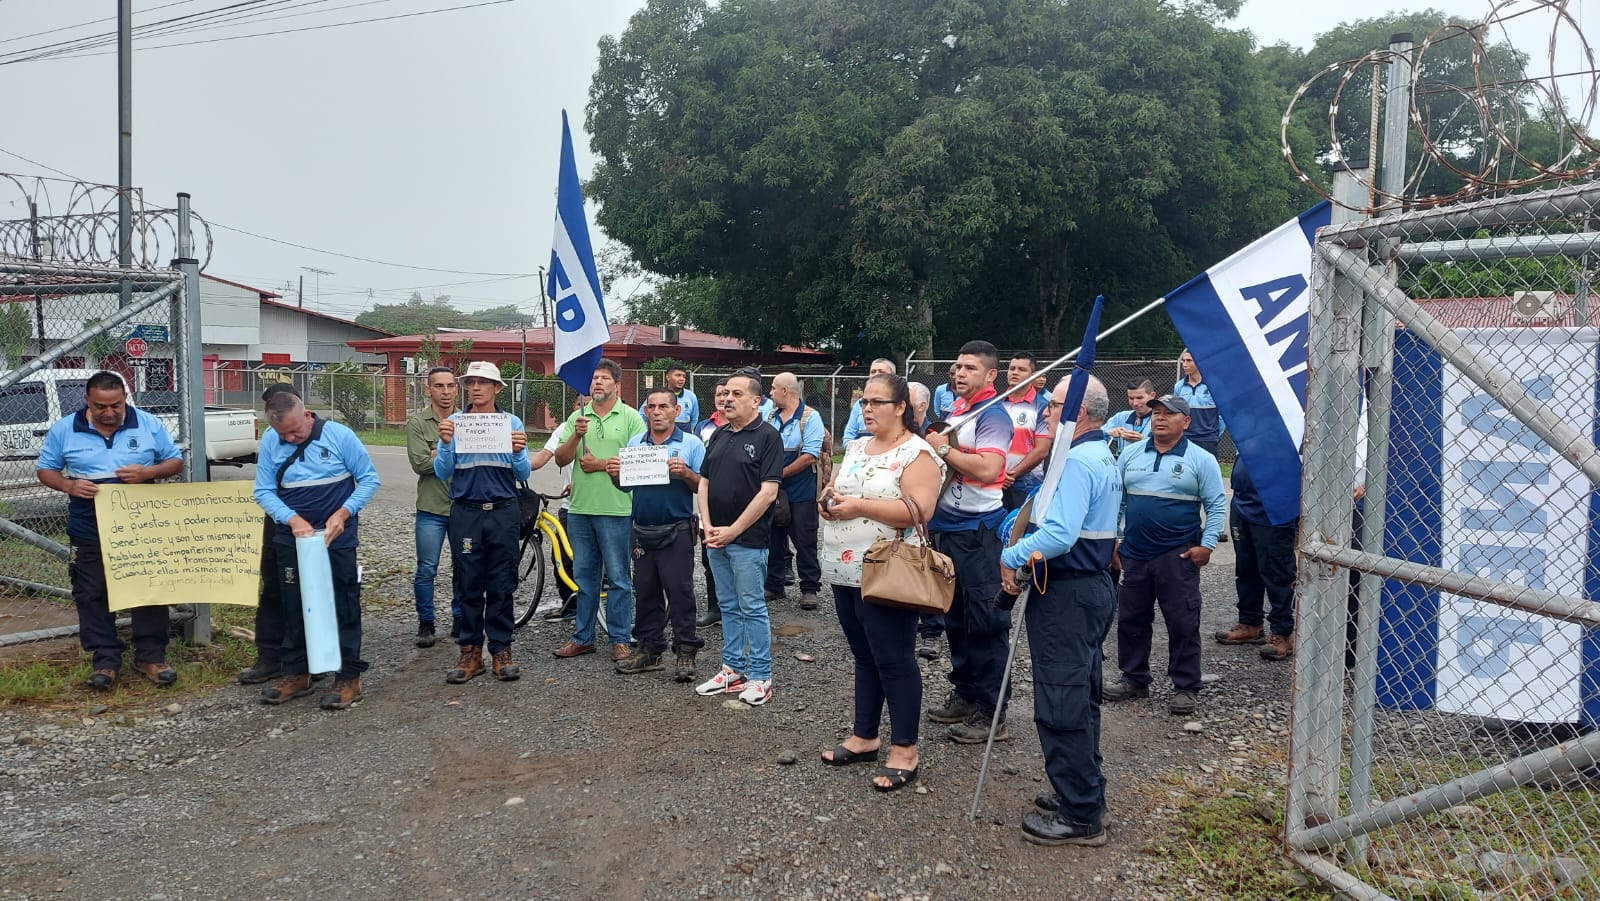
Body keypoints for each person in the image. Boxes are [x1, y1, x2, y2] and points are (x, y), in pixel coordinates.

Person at [1000, 375, 1121, 847]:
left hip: (1069, 593)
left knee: (1061, 700)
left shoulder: (1075, 461)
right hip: (1089, 588)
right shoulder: (1100, 454)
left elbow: (1058, 537)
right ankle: (1084, 790)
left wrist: (1009, 556)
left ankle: (1081, 812)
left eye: (1053, 405)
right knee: (1081, 693)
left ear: (1078, 413)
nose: (1047, 413)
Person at [818, 373, 943, 791]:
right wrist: (830, 500)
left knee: (894, 657)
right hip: (844, 567)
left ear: (901, 407)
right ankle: (865, 735)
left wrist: (855, 506)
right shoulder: (855, 446)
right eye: (863, 402)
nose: (867, 409)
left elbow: (920, 510)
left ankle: (905, 748)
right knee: (864, 655)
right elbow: (839, 487)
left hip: (888, 571)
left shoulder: (917, 454)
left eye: (877, 402)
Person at [37, 371, 184, 690]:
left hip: (142, 521)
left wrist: (149, 471)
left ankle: (151, 656)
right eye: (101, 406)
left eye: (116, 405)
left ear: (124, 399)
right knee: (90, 592)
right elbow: (46, 470)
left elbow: (175, 462)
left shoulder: (147, 423)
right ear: (87, 401)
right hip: (89, 519)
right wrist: (68, 485)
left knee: (148, 586)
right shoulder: (64, 429)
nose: (109, 412)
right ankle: (105, 660)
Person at [254, 390, 380, 710]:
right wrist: (291, 519)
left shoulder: (340, 436)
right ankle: (297, 671)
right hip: (291, 537)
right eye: (285, 434)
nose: (292, 438)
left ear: (307, 414)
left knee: (343, 601)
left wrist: (343, 513)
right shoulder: (271, 441)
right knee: (293, 602)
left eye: (296, 430)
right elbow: (264, 491)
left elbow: (368, 480)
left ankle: (348, 676)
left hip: (337, 536)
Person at [1104, 394, 1226, 715]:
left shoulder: (1201, 460)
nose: (1160, 418)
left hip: (1178, 555)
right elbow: (1119, 500)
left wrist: (1208, 544)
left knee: (1182, 620)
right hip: (1134, 553)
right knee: (1131, 617)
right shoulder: (1130, 454)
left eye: (1169, 414)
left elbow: (1215, 504)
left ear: (1185, 422)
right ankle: (1134, 679)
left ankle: (1185, 685)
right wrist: (1115, 539)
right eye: (1156, 412)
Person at [923, 340, 1015, 744]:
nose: (959, 373)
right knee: (954, 618)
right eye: (957, 367)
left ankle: (993, 712)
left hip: (978, 533)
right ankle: (964, 693)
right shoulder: (957, 411)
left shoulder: (993, 415)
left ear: (991, 375)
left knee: (986, 622)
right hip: (948, 529)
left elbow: (991, 467)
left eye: (970, 369)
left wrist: (943, 448)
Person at [433, 361, 531, 683]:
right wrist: (446, 444)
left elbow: (523, 473)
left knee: (502, 583)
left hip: (503, 510)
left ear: (497, 388)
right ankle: (471, 652)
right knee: (469, 583)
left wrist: (518, 452)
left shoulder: (510, 422)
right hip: (467, 511)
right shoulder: (455, 423)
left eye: (484, 382)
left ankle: (501, 650)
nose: (476, 387)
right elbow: (443, 473)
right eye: (471, 382)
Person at [695, 372, 784, 706]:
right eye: (725, 393)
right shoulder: (719, 435)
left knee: (751, 606)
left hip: (748, 540)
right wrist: (707, 523)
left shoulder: (767, 437)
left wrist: (734, 529)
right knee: (728, 605)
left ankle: (761, 676)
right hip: (716, 536)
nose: (727, 399)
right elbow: (704, 482)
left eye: (736, 393)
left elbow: (768, 493)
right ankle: (732, 668)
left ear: (755, 400)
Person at [552, 359, 646, 661]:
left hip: (617, 509)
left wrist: (601, 465)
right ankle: (583, 636)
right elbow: (561, 459)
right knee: (585, 577)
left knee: (618, 577)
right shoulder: (577, 418)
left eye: (604, 378)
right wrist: (577, 435)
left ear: (617, 385)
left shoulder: (632, 418)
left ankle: (620, 639)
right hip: (580, 509)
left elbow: (641, 463)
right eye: (593, 378)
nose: (597, 383)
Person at [609, 387, 706, 681]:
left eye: (664, 406)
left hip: (676, 530)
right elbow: (625, 487)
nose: (657, 412)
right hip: (641, 531)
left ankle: (686, 652)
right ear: (646, 411)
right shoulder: (636, 443)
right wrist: (615, 474)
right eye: (652, 407)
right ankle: (650, 650)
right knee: (646, 592)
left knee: (680, 592)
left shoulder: (691, 444)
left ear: (677, 411)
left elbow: (705, 485)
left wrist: (686, 473)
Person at [239, 382, 300, 684]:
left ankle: (311, 659)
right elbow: (264, 488)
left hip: (316, 525)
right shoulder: (270, 439)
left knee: (315, 590)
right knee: (273, 587)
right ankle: (269, 656)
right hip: (277, 523)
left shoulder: (327, 434)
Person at [1215, 455, 1299, 662]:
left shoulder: (1292, 427)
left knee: (1277, 572)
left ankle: (1282, 633)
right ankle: (1250, 623)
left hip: (1275, 507)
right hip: (1242, 503)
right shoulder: (1251, 427)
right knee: (1245, 568)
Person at [405, 366, 461, 647]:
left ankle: (460, 619)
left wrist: (440, 453)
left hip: (463, 508)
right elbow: (421, 464)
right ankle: (426, 623)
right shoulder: (417, 424)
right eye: (439, 386)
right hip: (431, 510)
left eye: (450, 385)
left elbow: (475, 460)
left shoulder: (468, 421)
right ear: (428, 390)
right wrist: (449, 454)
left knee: (463, 567)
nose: (446, 391)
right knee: (427, 568)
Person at [763, 372, 827, 610]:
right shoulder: (770, 416)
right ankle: (774, 585)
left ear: (785, 391)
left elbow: (810, 455)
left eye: (773, 388)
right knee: (773, 537)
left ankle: (810, 588)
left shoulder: (811, 417)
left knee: (804, 537)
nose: (769, 393)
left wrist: (778, 474)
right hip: (774, 487)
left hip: (801, 488)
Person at [694, 379, 730, 629]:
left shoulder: (751, 428)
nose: (723, 398)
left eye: (728, 393)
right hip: (707, 501)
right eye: (719, 394)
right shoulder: (702, 428)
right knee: (710, 559)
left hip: (736, 502)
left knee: (740, 561)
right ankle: (714, 608)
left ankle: (737, 610)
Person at [1001, 352, 1053, 511]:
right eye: (1012, 368)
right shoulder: (996, 403)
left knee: (1022, 532)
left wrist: (1011, 475)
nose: (1014, 372)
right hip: (993, 480)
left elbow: (1042, 449)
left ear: (1033, 375)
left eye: (1021, 369)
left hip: (1026, 483)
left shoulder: (1043, 406)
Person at [1172, 349, 1225, 456]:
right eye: (1183, 361)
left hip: (1208, 441)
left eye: (1189, 361)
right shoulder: (1179, 387)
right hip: (1185, 439)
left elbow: (1222, 416)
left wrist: (1213, 436)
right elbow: (1177, 413)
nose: (1185, 365)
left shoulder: (1215, 385)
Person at [841, 358, 897, 443]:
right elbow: (848, 437)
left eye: (881, 372)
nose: (876, 375)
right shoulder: (859, 405)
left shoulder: (898, 403)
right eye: (873, 372)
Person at [1104, 379, 1156, 456]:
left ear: (1152, 395)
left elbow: (1168, 445)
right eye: (1131, 398)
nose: (1135, 403)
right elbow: (1096, 434)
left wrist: (1143, 441)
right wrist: (1109, 433)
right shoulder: (1121, 417)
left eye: (1139, 398)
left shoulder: (1161, 420)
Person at [665, 361, 699, 427]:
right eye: (678, 375)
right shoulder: (658, 395)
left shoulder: (691, 396)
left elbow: (694, 419)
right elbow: (643, 415)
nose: (682, 379)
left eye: (684, 376)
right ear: (668, 377)